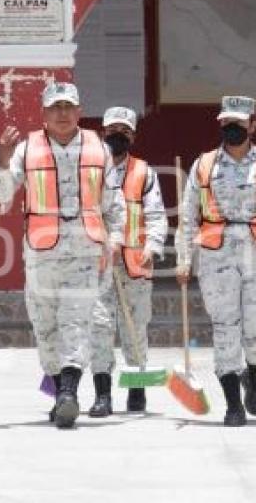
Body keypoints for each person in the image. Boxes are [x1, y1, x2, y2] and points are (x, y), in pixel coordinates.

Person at [0, 82, 125, 428]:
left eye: (68, 107)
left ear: (79, 111)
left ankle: (69, 393)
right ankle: (60, 388)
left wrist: (117, 240)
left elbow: (114, 202)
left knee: (76, 322)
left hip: (85, 250)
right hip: (41, 252)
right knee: (44, 326)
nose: (62, 113)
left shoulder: (99, 148)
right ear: (44, 114)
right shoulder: (25, 149)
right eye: (55, 107)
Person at [176, 95, 256, 427]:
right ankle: (233, 404)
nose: (232, 127)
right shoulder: (204, 164)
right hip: (216, 255)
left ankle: (255, 378)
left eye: (239, 122)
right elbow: (188, 215)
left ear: (253, 125)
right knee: (225, 328)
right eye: (226, 122)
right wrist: (183, 259)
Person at [88, 106, 168, 416]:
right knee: (99, 328)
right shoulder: (89, 169)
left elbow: (157, 215)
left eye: (124, 131)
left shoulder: (144, 172)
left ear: (132, 135)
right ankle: (103, 394)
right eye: (112, 131)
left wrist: (154, 245)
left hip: (135, 264)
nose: (117, 136)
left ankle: (137, 390)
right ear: (102, 133)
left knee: (135, 329)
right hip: (98, 264)